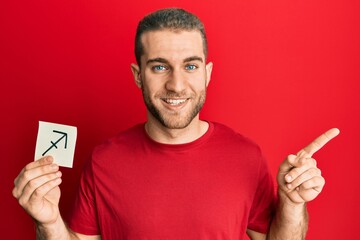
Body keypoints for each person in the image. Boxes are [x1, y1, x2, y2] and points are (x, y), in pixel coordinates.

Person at [12, 8, 339, 240]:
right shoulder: (102, 163)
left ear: (208, 73)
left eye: (191, 66)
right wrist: (49, 223)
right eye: (159, 67)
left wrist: (293, 205)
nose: (177, 85)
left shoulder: (246, 156)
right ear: (138, 75)